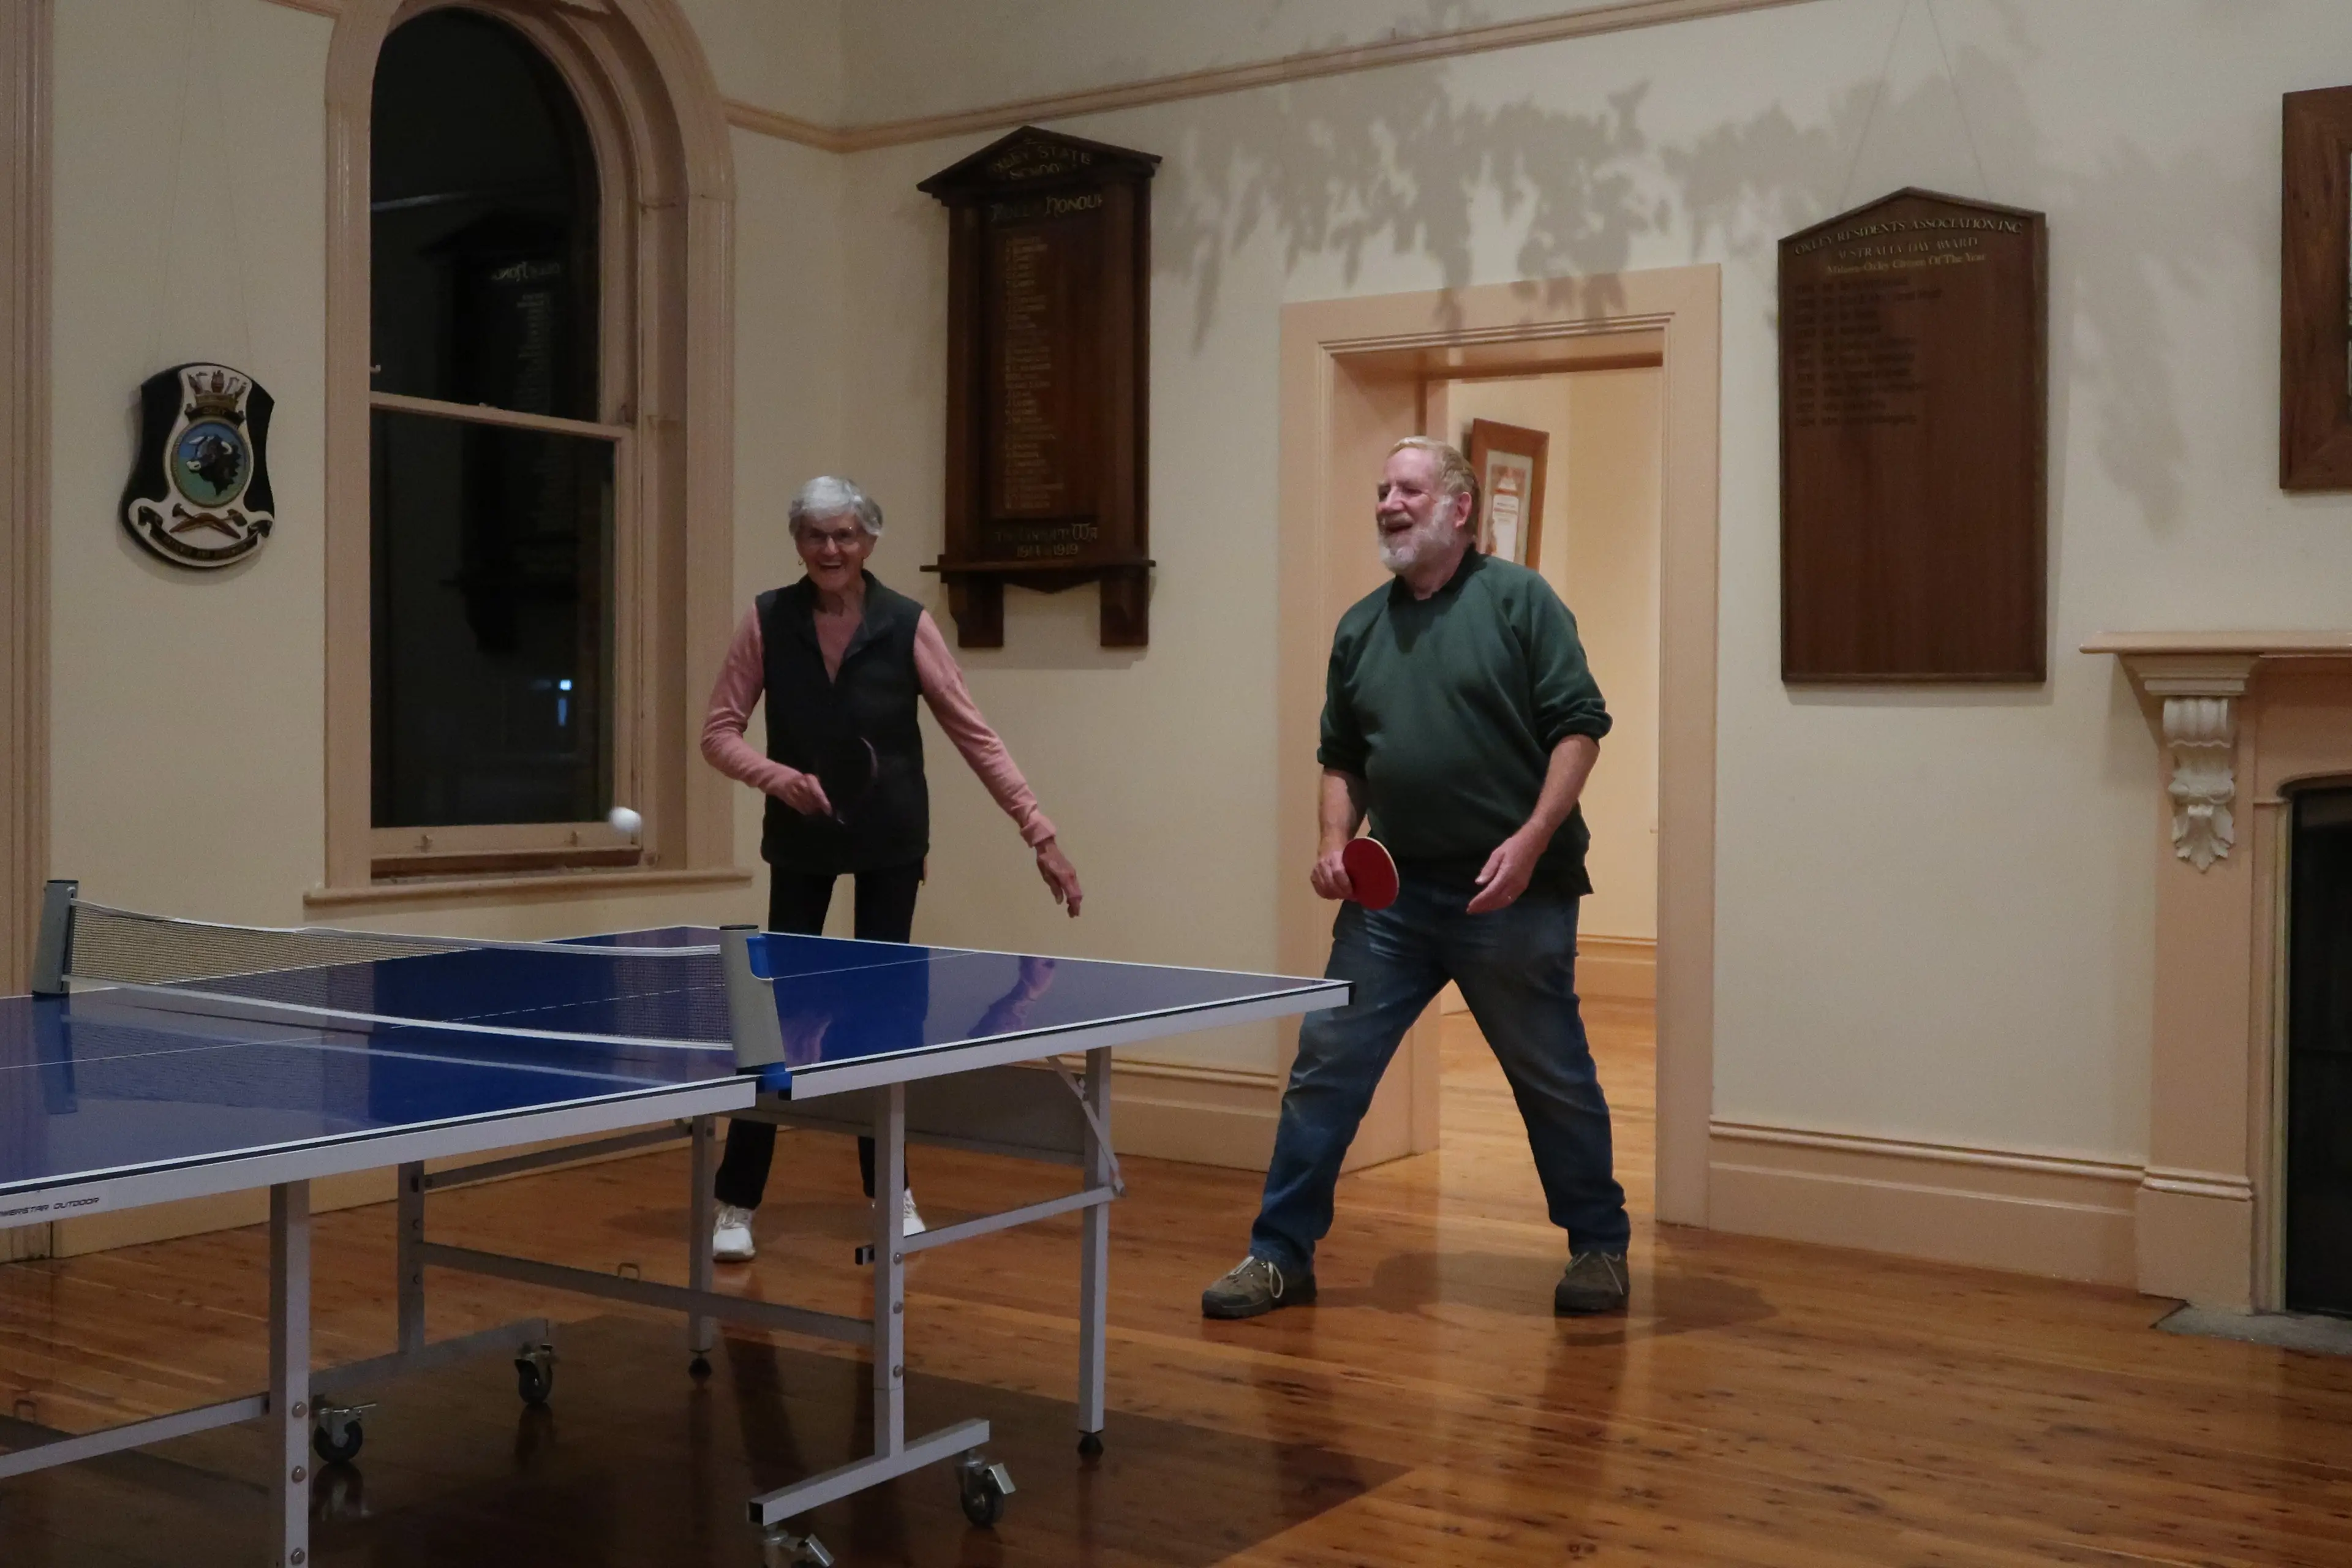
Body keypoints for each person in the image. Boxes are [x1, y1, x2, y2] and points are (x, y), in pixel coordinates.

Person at [1200, 436, 1630, 1320]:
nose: (1388, 504)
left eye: (1408, 489)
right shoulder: (1361, 626)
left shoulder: (1521, 602)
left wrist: (1532, 837)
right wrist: (1334, 842)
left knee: (1551, 1074)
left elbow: (1579, 727)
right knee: (1327, 1068)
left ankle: (1598, 1248)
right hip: (1391, 900)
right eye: (1383, 491)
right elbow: (1341, 757)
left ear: (1460, 508)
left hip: (1514, 891)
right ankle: (1279, 1255)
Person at [701, 475, 1082, 1261]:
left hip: (891, 845)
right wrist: (780, 779)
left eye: (844, 536)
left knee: (886, 1027)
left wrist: (1038, 830)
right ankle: (736, 1201)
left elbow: (975, 735)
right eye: (815, 536)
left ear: (869, 542)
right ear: (798, 543)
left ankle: (891, 1192)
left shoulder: (906, 624)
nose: (830, 550)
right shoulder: (767, 620)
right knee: (774, 1023)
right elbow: (719, 733)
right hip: (801, 841)